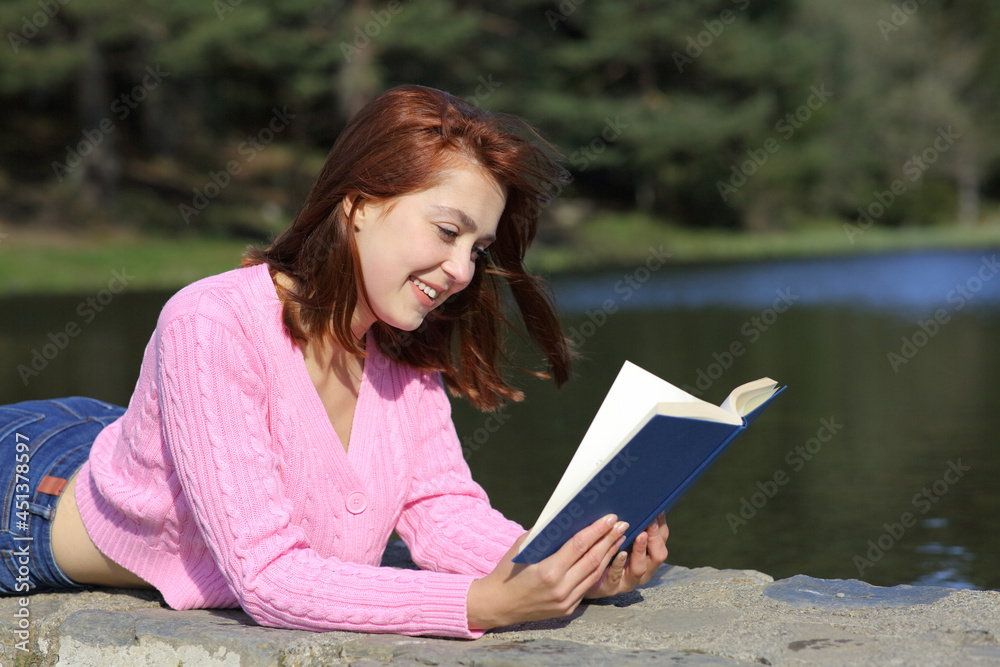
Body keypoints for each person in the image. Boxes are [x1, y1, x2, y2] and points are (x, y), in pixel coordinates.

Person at [1, 85, 669, 638]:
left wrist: (566, 564)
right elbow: (268, 579)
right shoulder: (209, 323)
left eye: (477, 248)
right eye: (447, 231)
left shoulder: (402, 348)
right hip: (29, 492)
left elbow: (440, 510)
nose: (463, 270)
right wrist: (479, 604)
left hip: (115, 437)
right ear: (359, 205)